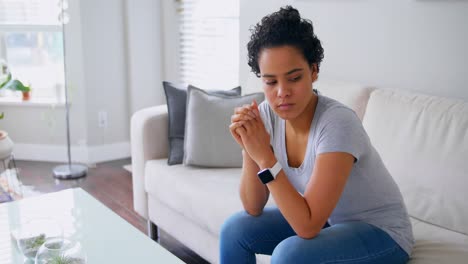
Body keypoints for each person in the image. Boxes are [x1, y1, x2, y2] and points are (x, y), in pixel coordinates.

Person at [220, 6, 413, 264]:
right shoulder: (266, 115)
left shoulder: (337, 123)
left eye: (294, 78)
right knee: (235, 230)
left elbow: (308, 227)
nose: (282, 92)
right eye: (271, 81)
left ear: (313, 71)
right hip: (329, 222)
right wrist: (250, 147)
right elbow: (253, 207)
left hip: (382, 234)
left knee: (290, 256)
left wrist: (265, 157)